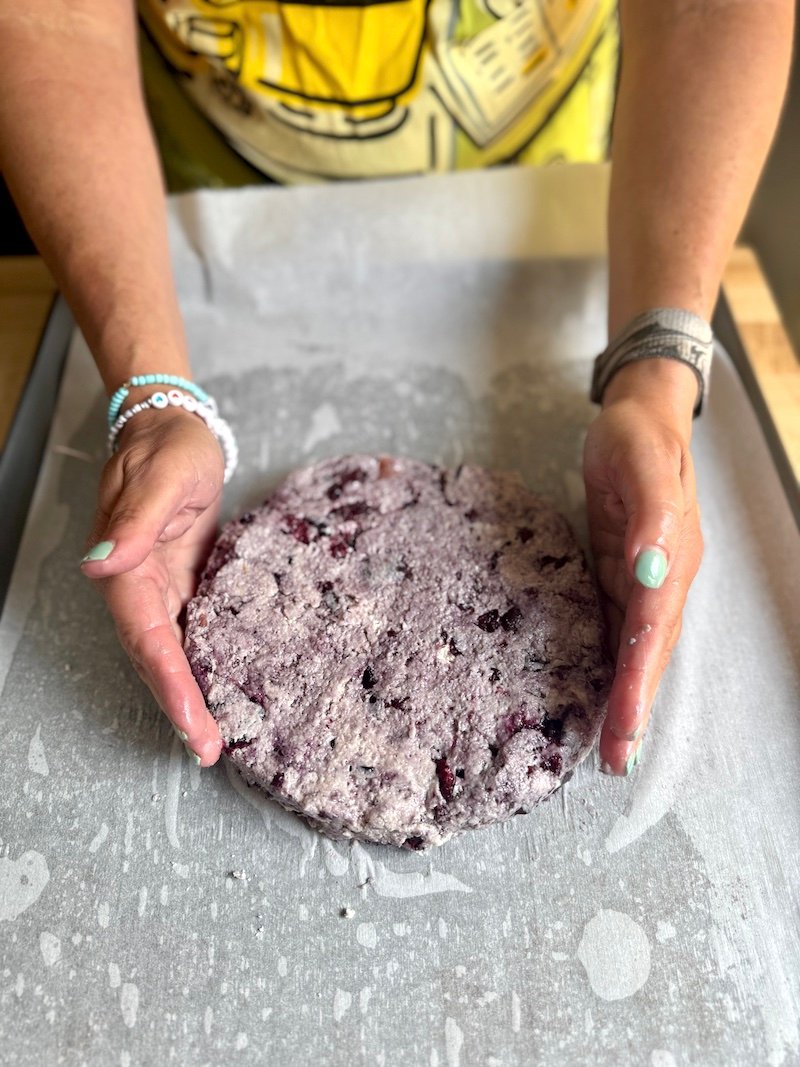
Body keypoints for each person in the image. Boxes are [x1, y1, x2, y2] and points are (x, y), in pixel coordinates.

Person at [0, 1, 793, 775]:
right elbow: (51, 18)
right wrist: (152, 397)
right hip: (200, 192)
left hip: (544, 183)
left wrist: (654, 376)